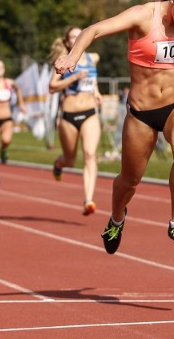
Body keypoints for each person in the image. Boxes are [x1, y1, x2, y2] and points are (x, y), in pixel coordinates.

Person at [54, 0, 174, 258]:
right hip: (142, 112)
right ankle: (116, 219)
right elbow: (95, 29)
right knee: (130, 181)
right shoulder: (144, 16)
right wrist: (73, 57)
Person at [48, 26, 103, 216]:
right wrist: (73, 78)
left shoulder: (92, 58)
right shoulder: (63, 61)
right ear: (67, 42)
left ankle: (88, 200)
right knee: (69, 160)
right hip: (69, 115)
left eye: (79, 35)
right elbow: (52, 86)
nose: (76, 39)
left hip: (90, 112)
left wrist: (96, 92)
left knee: (89, 154)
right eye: (72, 37)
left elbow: (92, 80)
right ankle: (58, 164)